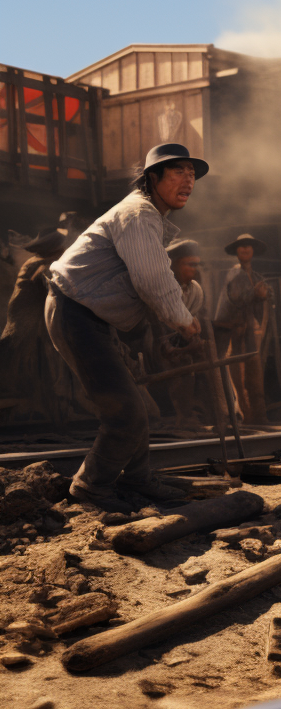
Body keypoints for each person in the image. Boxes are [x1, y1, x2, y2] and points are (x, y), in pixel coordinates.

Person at [45, 143, 205, 510]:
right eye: (178, 171)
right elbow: (152, 280)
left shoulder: (148, 217)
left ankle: (136, 478)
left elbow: (141, 289)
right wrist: (183, 321)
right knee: (125, 412)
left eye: (192, 173)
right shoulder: (138, 214)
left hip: (90, 317)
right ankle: (90, 488)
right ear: (153, 177)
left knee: (137, 405)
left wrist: (165, 333)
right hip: (75, 313)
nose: (188, 180)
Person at [0, 230, 69, 411]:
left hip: (35, 315)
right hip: (26, 316)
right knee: (21, 352)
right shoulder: (39, 265)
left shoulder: (43, 263)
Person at [213, 233, 271, 424]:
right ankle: (246, 420)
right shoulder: (233, 273)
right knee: (239, 378)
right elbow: (234, 300)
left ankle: (260, 419)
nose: (245, 249)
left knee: (255, 376)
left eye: (248, 246)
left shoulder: (256, 276)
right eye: (241, 246)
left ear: (253, 251)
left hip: (251, 334)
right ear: (236, 251)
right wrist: (255, 294)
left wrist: (264, 295)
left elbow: (262, 305)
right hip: (233, 333)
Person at [156, 240, 208, 429]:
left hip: (181, 337)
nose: (193, 269)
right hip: (157, 338)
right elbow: (159, 323)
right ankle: (179, 417)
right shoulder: (162, 289)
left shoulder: (194, 290)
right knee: (177, 371)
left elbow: (191, 318)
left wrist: (192, 340)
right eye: (189, 264)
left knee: (196, 370)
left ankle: (196, 414)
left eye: (196, 265)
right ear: (175, 264)